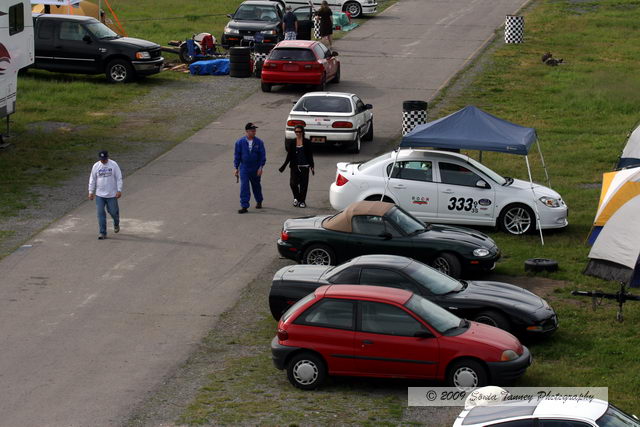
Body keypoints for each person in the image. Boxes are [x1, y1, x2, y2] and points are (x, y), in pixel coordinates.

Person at [88, 150, 123, 240]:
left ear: (108, 157)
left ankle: (116, 223)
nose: (103, 161)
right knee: (100, 214)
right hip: (100, 195)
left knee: (113, 212)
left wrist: (119, 190)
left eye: (105, 159)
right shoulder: (96, 166)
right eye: (101, 159)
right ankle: (102, 232)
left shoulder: (113, 164)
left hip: (112, 194)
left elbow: (119, 178)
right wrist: (91, 192)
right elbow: (92, 179)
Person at [279, 125, 314, 208]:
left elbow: (310, 155)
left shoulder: (307, 142)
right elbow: (289, 155)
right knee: (293, 183)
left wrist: (312, 166)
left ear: (302, 132)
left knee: (303, 185)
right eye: (296, 132)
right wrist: (284, 166)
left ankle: (302, 201)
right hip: (294, 166)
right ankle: (296, 197)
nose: (298, 133)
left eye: (299, 132)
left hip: (305, 167)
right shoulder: (292, 142)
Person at [234, 123, 266, 214]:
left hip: (255, 168)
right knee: (244, 186)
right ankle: (244, 206)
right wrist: (236, 168)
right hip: (244, 168)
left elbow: (262, 156)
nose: (254, 132)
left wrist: (261, 167)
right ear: (247, 131)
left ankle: (259, 200)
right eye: (252, 130)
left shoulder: (259, 142)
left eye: (255, 130)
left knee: (256, 186)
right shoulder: (239, 142)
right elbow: (237, 156)